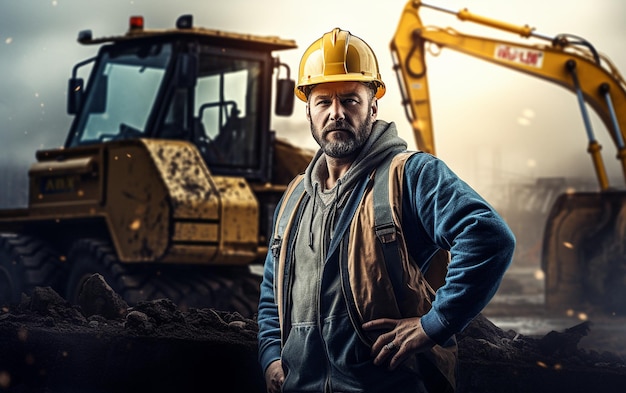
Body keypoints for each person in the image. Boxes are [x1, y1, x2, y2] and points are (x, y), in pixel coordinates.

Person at [257, 27, 515, 393]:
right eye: (323, 102)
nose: (336, 113)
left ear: (373, 106)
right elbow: (272, 289)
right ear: (309, 109)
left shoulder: (410, 175)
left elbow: (488, 237)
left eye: (350, 100)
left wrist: (434, 324)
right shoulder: (295, 196)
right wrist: (270, 355)